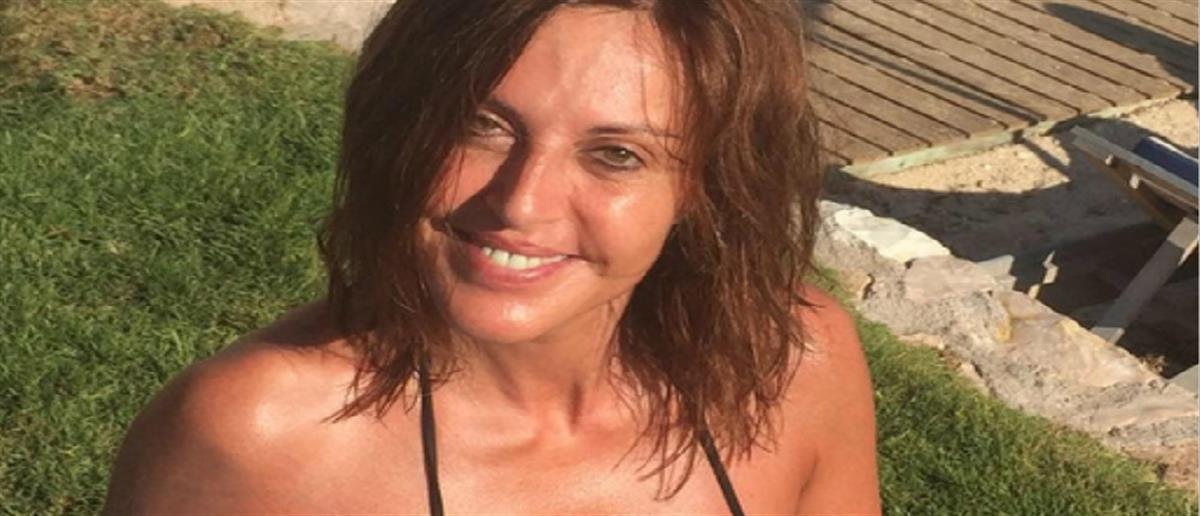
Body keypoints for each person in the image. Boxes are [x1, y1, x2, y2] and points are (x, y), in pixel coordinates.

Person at [103, 0, 879, 513]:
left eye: (616, 154)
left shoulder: (791, 364)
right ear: (402, 128)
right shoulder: (261, 434)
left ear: (703, 187)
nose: (522, 204)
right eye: (482, 124)